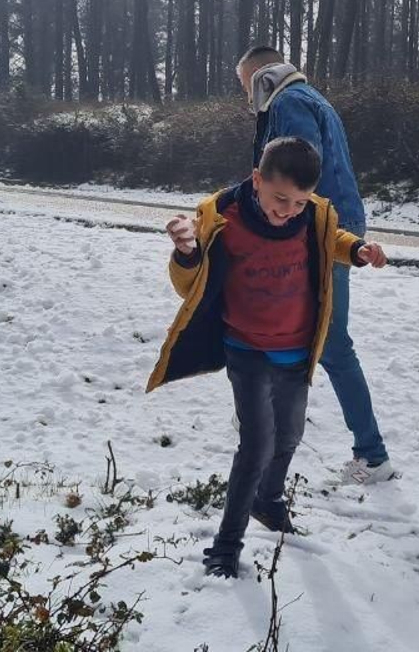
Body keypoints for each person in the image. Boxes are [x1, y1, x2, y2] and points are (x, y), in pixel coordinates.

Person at [146, 137, 389, 579]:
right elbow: (190, 284)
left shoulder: (314, 214)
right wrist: (185, 253)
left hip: (297, 348)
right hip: (246, 348)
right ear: (257, 179)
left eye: (298, 202)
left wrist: (355, 249)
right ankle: (225, 546)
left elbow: (330, 237)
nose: (288, 210)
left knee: (290, 434)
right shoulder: (223, 219)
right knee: (256, 444)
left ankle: (269, 499)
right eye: (280, 198)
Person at [236, 45, 395, 484]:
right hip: (330, 225)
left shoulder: (288, 103)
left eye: (243, 85)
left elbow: (295, 169)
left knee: (330, 343)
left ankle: (372, 454)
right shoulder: (311, 97)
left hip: (320, 231)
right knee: (301, 328)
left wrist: (276, 223)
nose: (245, 97)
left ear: (258, 75)